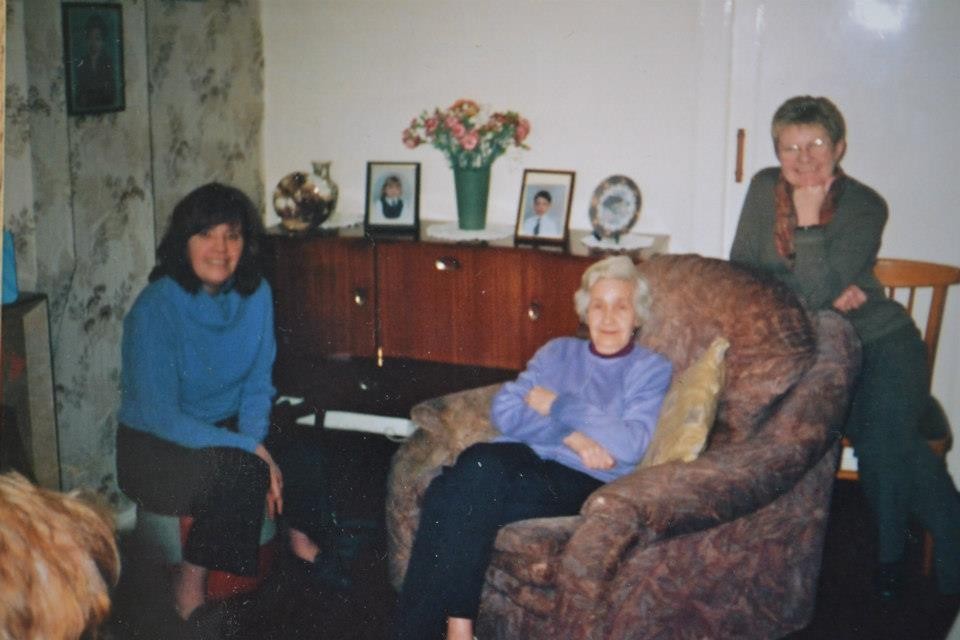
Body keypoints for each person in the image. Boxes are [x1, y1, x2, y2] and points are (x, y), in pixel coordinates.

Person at [730, 95, 960, 600]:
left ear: (840, 147)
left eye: (815, 143)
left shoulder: (865, 205)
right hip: (817, 352)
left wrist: (809, 227)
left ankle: (894, 561)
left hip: (882, 346)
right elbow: (745, 271)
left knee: (880, 444)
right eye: (789, 147)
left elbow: (805, 288)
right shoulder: (765, 187)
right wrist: (824, 284)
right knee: (877, 437)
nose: (803, 158)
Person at [395, 255, 672, 640]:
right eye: (598, 305)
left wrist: (558, 404)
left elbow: (628, 443)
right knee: (464, 484)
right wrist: (572, 436)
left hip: (582, 477)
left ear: (637, 316)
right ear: (584, 312)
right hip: (524, 460)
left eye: (620, 306)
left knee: (456, 486)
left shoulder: (650, 369)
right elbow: (506, 409)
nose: (608, 318)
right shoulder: (557, 352)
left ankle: (456, 627)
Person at [116, 183, 345, 623]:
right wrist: (249, 449)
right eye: (206, 235)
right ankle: (190, 589)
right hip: (154, 445)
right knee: (239, 468)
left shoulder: (254, 294)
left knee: (302, 446)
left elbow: (258, 385)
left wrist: (252, 439)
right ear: (183, 242)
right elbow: (160, 414)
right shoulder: (154, 308)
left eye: (233, 235)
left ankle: (298, 541)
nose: (220, 248)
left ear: (246, 243)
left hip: (224, 426)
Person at [75, 14, 117, 110]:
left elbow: (111, 96)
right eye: (90, 38)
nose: (93, 43)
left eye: (97, 38)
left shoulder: (108, 62)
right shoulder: (81, 63)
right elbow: (79, 96)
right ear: (86, 39)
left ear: (103, 41)